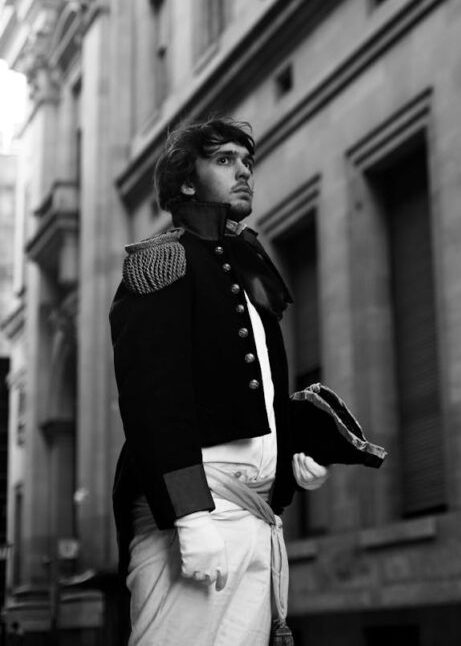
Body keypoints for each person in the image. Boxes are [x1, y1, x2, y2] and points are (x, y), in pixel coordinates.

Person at [110, 117, 330, 646]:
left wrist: (291, 459)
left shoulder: (248, 265)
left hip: (256, 520)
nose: (244, 172)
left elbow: (260, 391)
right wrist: (189, 516)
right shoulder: (162, 260)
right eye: (226, 160)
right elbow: (152, 400)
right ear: (188, 182)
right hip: (197, 521)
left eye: (247, 162)